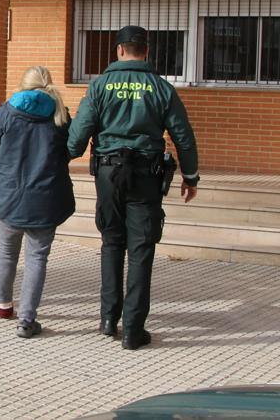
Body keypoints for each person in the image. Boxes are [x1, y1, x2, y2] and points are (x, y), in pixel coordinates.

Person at [67, 25, 199, 350]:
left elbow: (77, 137)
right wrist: (190, 176)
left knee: (112, 243)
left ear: (119, 50)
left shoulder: (99, 87)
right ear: (146, 51)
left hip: (108, 174)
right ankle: (133, 330)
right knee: (141, 249)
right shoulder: (161, 88)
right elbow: (183, 135)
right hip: (145, 175)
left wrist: (59, 158)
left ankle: (108, 319)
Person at [0, 66, 75, 339]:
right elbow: (69, 150)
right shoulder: (60, 115)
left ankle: (1, 305)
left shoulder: (7, 111)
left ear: (24, 85)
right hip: (46, 200)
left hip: (9, 197)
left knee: (6, 252)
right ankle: (27, 319)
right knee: (37, 257)